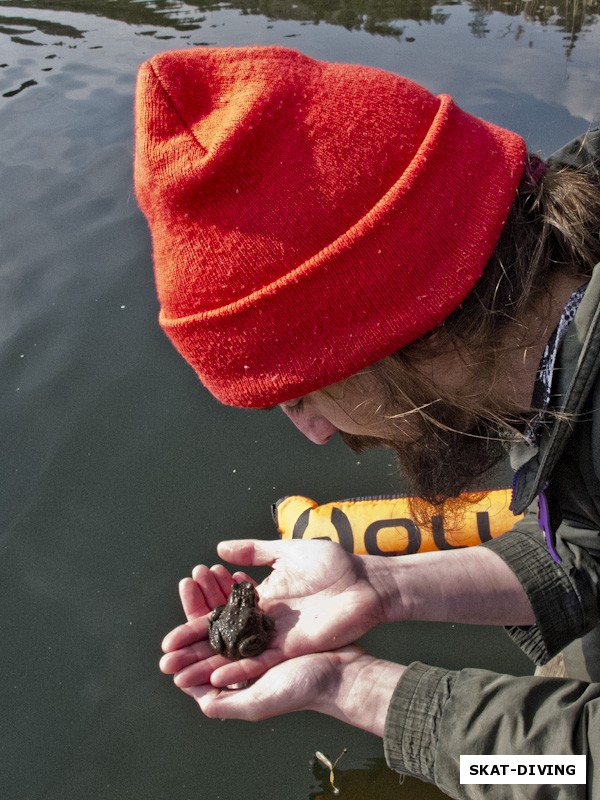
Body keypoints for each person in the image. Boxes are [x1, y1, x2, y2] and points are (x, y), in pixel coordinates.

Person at [134, 46, 600, 798]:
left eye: (301, 394)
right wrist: (386, 586)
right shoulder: (560, 355)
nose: (315, 432)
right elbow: (589, 542)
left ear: (389, 326)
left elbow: (579, 770)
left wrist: (363, 696)